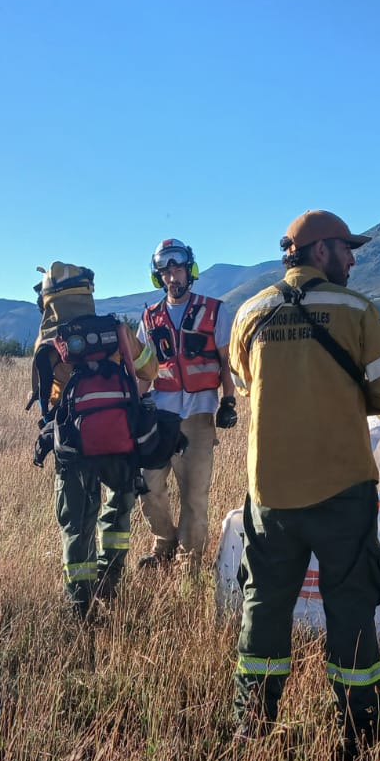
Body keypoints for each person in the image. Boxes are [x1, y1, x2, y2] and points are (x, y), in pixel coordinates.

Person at [229, 210, 380, 758]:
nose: (354, 258)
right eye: (346, 249)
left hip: (270, 491)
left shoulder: (250, 311)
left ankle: (251, 725)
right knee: (351, 604)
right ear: (318, 252)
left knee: (263, 604)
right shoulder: (355, 308)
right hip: (343, 486)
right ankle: (361, 733)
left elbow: (244, 384)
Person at [30, 262, 158, 619]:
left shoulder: (48, 345)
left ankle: (80, 601)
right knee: (117, 512)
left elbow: (45, 400)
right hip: (121, 443)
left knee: (76, 524)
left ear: (49, 299)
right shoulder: (116, 330)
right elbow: (151, 369)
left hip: (73, 448)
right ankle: (111, 578)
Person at [136, 238, 238, 571]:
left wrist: (228, 401)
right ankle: (163, 544)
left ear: (189, 270)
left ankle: (188, 561)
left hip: (199, 414)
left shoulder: (214, 311)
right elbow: (144, 370)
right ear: (158, 277)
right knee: (148, 484)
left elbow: (225, 362)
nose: (171, 277)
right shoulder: (149, 318)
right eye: (165, 272)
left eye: (177, 269)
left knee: (195, 495)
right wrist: (134, 404)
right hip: (160, 414)